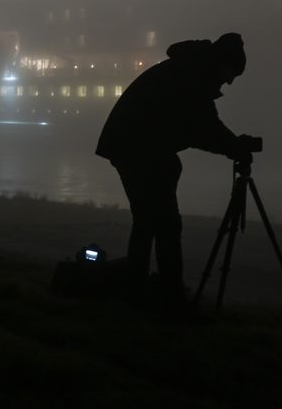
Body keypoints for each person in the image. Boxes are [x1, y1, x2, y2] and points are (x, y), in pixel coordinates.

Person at [95, 32, 259, 306]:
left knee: (149, 219)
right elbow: (204, 128)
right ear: (221, 63)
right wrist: (235, 147)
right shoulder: (191, 78)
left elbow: (200, 127)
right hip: (135, 147)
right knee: (164, 221)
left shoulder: (188, 70)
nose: (229, 81)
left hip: (134, 146)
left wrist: (231, 144)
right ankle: (167, 289)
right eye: (231, 73)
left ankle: (141, 283)